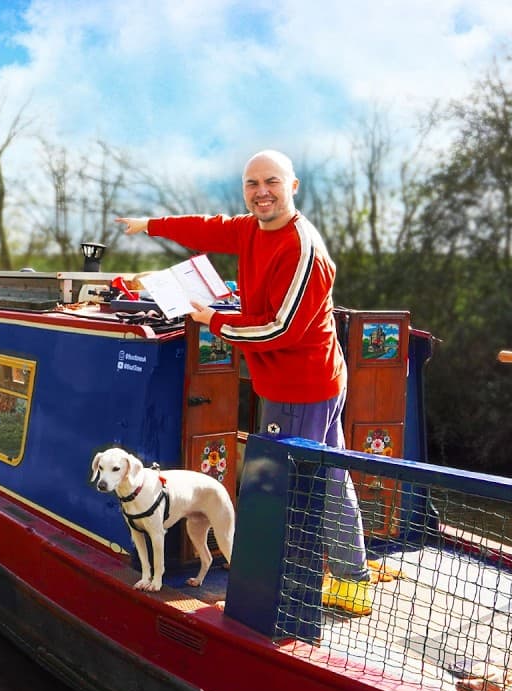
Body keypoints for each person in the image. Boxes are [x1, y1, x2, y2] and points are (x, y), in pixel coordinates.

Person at [115, 149, 373, 616]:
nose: (261, 192)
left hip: (301, 388)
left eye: (271, 182)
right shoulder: (253, 229)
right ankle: (352, 579)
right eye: (252, 184)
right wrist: (150, 225)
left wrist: (214, 320)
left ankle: (285, 594)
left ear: (293, 187)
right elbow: (208, 228)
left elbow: (281, 329)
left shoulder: (302, 250)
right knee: (332, 478)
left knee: (281, 490)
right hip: (311, 380)